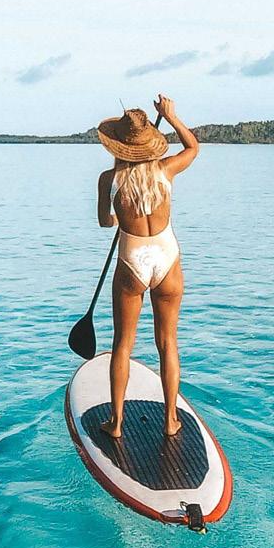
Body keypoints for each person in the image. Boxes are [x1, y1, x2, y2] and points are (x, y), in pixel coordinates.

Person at [94, 94, 199, 438]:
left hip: (132, 260)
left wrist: (117, 218)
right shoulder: (166, 170)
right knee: (168, 342)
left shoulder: (108, 179)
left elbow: (104, 221)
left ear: (119, 146)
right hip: (167, 258)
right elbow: (193, 147)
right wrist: (171, 116)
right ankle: (171, 420)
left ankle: (116, 423)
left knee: (123, 344)